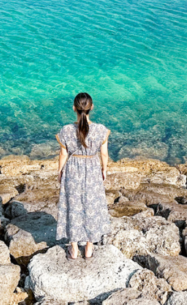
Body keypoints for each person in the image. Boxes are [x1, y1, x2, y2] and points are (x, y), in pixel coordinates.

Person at [56, 92, 111, 259]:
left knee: (72, 205)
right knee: (91, 205)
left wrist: (59, 172)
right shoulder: (101, 130)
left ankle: (73, 248)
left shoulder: (66, 130)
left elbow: (63, 154)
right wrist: (104, 169)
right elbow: (104, 154)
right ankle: (89, 247)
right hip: (93, 169)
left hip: (72, 169)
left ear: (74, 108)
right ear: (91, 107)